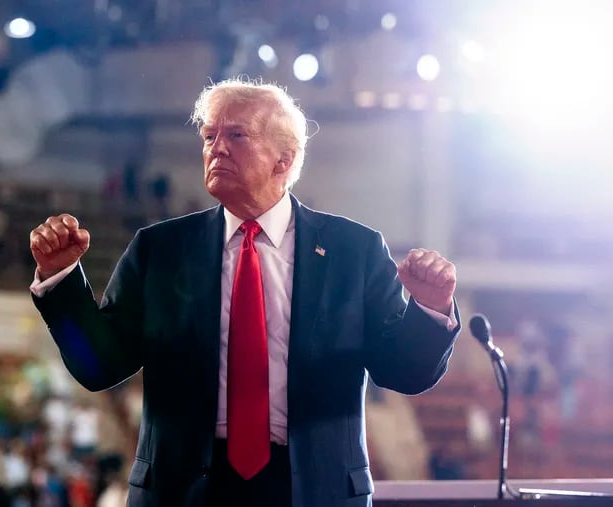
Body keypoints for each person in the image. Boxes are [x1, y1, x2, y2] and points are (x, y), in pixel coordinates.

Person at [29, 79, 460, 507]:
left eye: (236, 135)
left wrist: (429, 308)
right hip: (183, 489)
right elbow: (99, 366)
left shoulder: (355, 251)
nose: (216, 148)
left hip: (312, 489)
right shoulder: (160, 249)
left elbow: (404, 372)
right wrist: (62, 279)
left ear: (283, 160)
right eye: (209, 136)